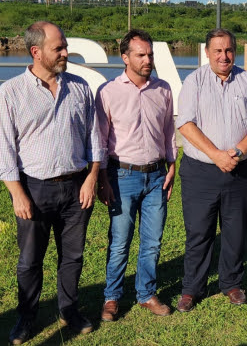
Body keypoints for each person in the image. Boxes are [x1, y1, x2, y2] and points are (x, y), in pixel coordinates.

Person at [0, 21, 102, 345]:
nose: (66, 52)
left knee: (73, 257)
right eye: (59, 48)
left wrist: (92, 178)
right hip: (34, 190)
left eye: (65, 46)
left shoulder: (80, 88)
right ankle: (26, 318)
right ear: (36, 52)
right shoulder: (11, 93)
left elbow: (94, 137)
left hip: (76, 188)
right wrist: (17, 194)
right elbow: (1, 149)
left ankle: (69, 310)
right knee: (29, 261)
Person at [175, 28, 247, 312]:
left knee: (235, 230)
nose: (223, 56)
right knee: (198, 232)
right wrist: (216, 155)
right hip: (200, 171)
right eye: (217, 50)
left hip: (241, 169)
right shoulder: (194, 82)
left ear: (235, 51)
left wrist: (238, 151)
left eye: (228, 50)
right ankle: (192, 288)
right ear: (207, 52)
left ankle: (231, 283)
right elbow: (186, 124)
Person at [95, 29, 177, 321]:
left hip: (156, 176)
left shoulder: (164, 89)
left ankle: (146, 294)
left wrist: (172, 164)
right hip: (122, 175)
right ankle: (112, 297)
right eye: (141, 55)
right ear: (125, 57)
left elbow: (169, 130)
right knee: (120, 241)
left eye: (150, 54)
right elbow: (101, 140)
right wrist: (102, 179)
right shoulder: (108, 92)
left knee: (152, 241)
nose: (147, 60)